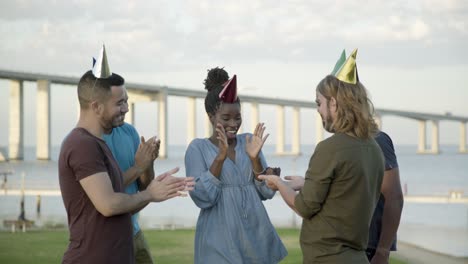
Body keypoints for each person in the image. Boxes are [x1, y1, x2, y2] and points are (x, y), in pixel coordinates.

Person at [58, 45, 194, 264]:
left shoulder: (98, 143)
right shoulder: (81, 145)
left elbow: (120, 197)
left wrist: (153, 184)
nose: (126, 109)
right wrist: (150, 194)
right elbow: (109, 204)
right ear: (97, 107)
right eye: (120, 103)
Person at [259, 49, 384, 263]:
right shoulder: (374, 149)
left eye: (319, 103)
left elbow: (304, 207)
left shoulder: (330, 148)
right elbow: (345, 191)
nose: (317, 110)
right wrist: (307, 182)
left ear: (333, 103)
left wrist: (279, 183)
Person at [184, 67, 287, 264]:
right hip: (219, 241)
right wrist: (220, 158)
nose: (233, 123)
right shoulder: (197, 149)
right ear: (211, 116)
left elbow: (266, 193)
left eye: (238, 117)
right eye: (226, 118)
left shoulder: (248, 140)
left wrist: (255, 159)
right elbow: (202, 197)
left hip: (255, 237)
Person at [104, 122, 160, 264]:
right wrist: (138, 167)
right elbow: (104, 192)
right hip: (107, 239)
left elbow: (144, 185)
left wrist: (149, 162)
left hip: (134, 233)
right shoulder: (89, 141)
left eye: (126, 101)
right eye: (120, 102)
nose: (126, 108)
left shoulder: (129, 131)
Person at [366, 130, 404, 263]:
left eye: (320, 106)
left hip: (369, 249)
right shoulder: (340, 143)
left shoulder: (377, 140)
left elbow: (394, 197)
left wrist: (382, 251)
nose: (318, 110)